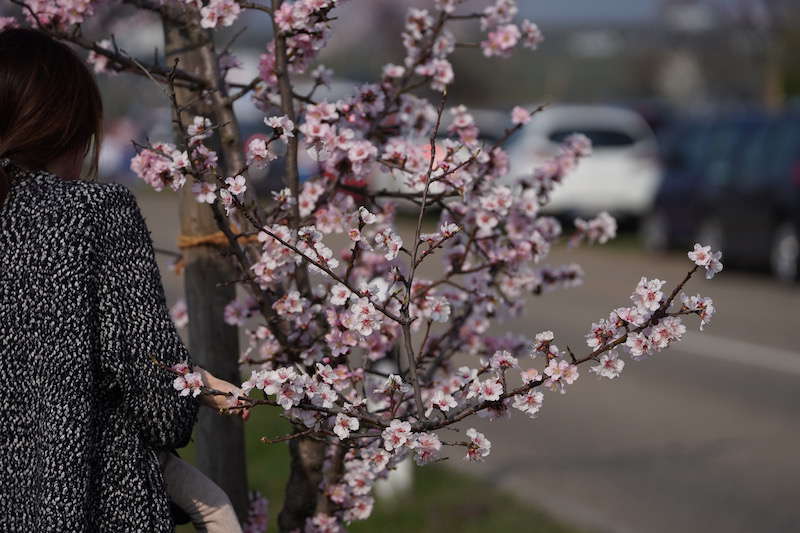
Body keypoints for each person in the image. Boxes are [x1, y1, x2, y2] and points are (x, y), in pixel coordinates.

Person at [0, 28, 243, 532]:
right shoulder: (91, 213)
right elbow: (158, 398)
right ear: (65, 126)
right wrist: (191, 384)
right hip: (84, 508)